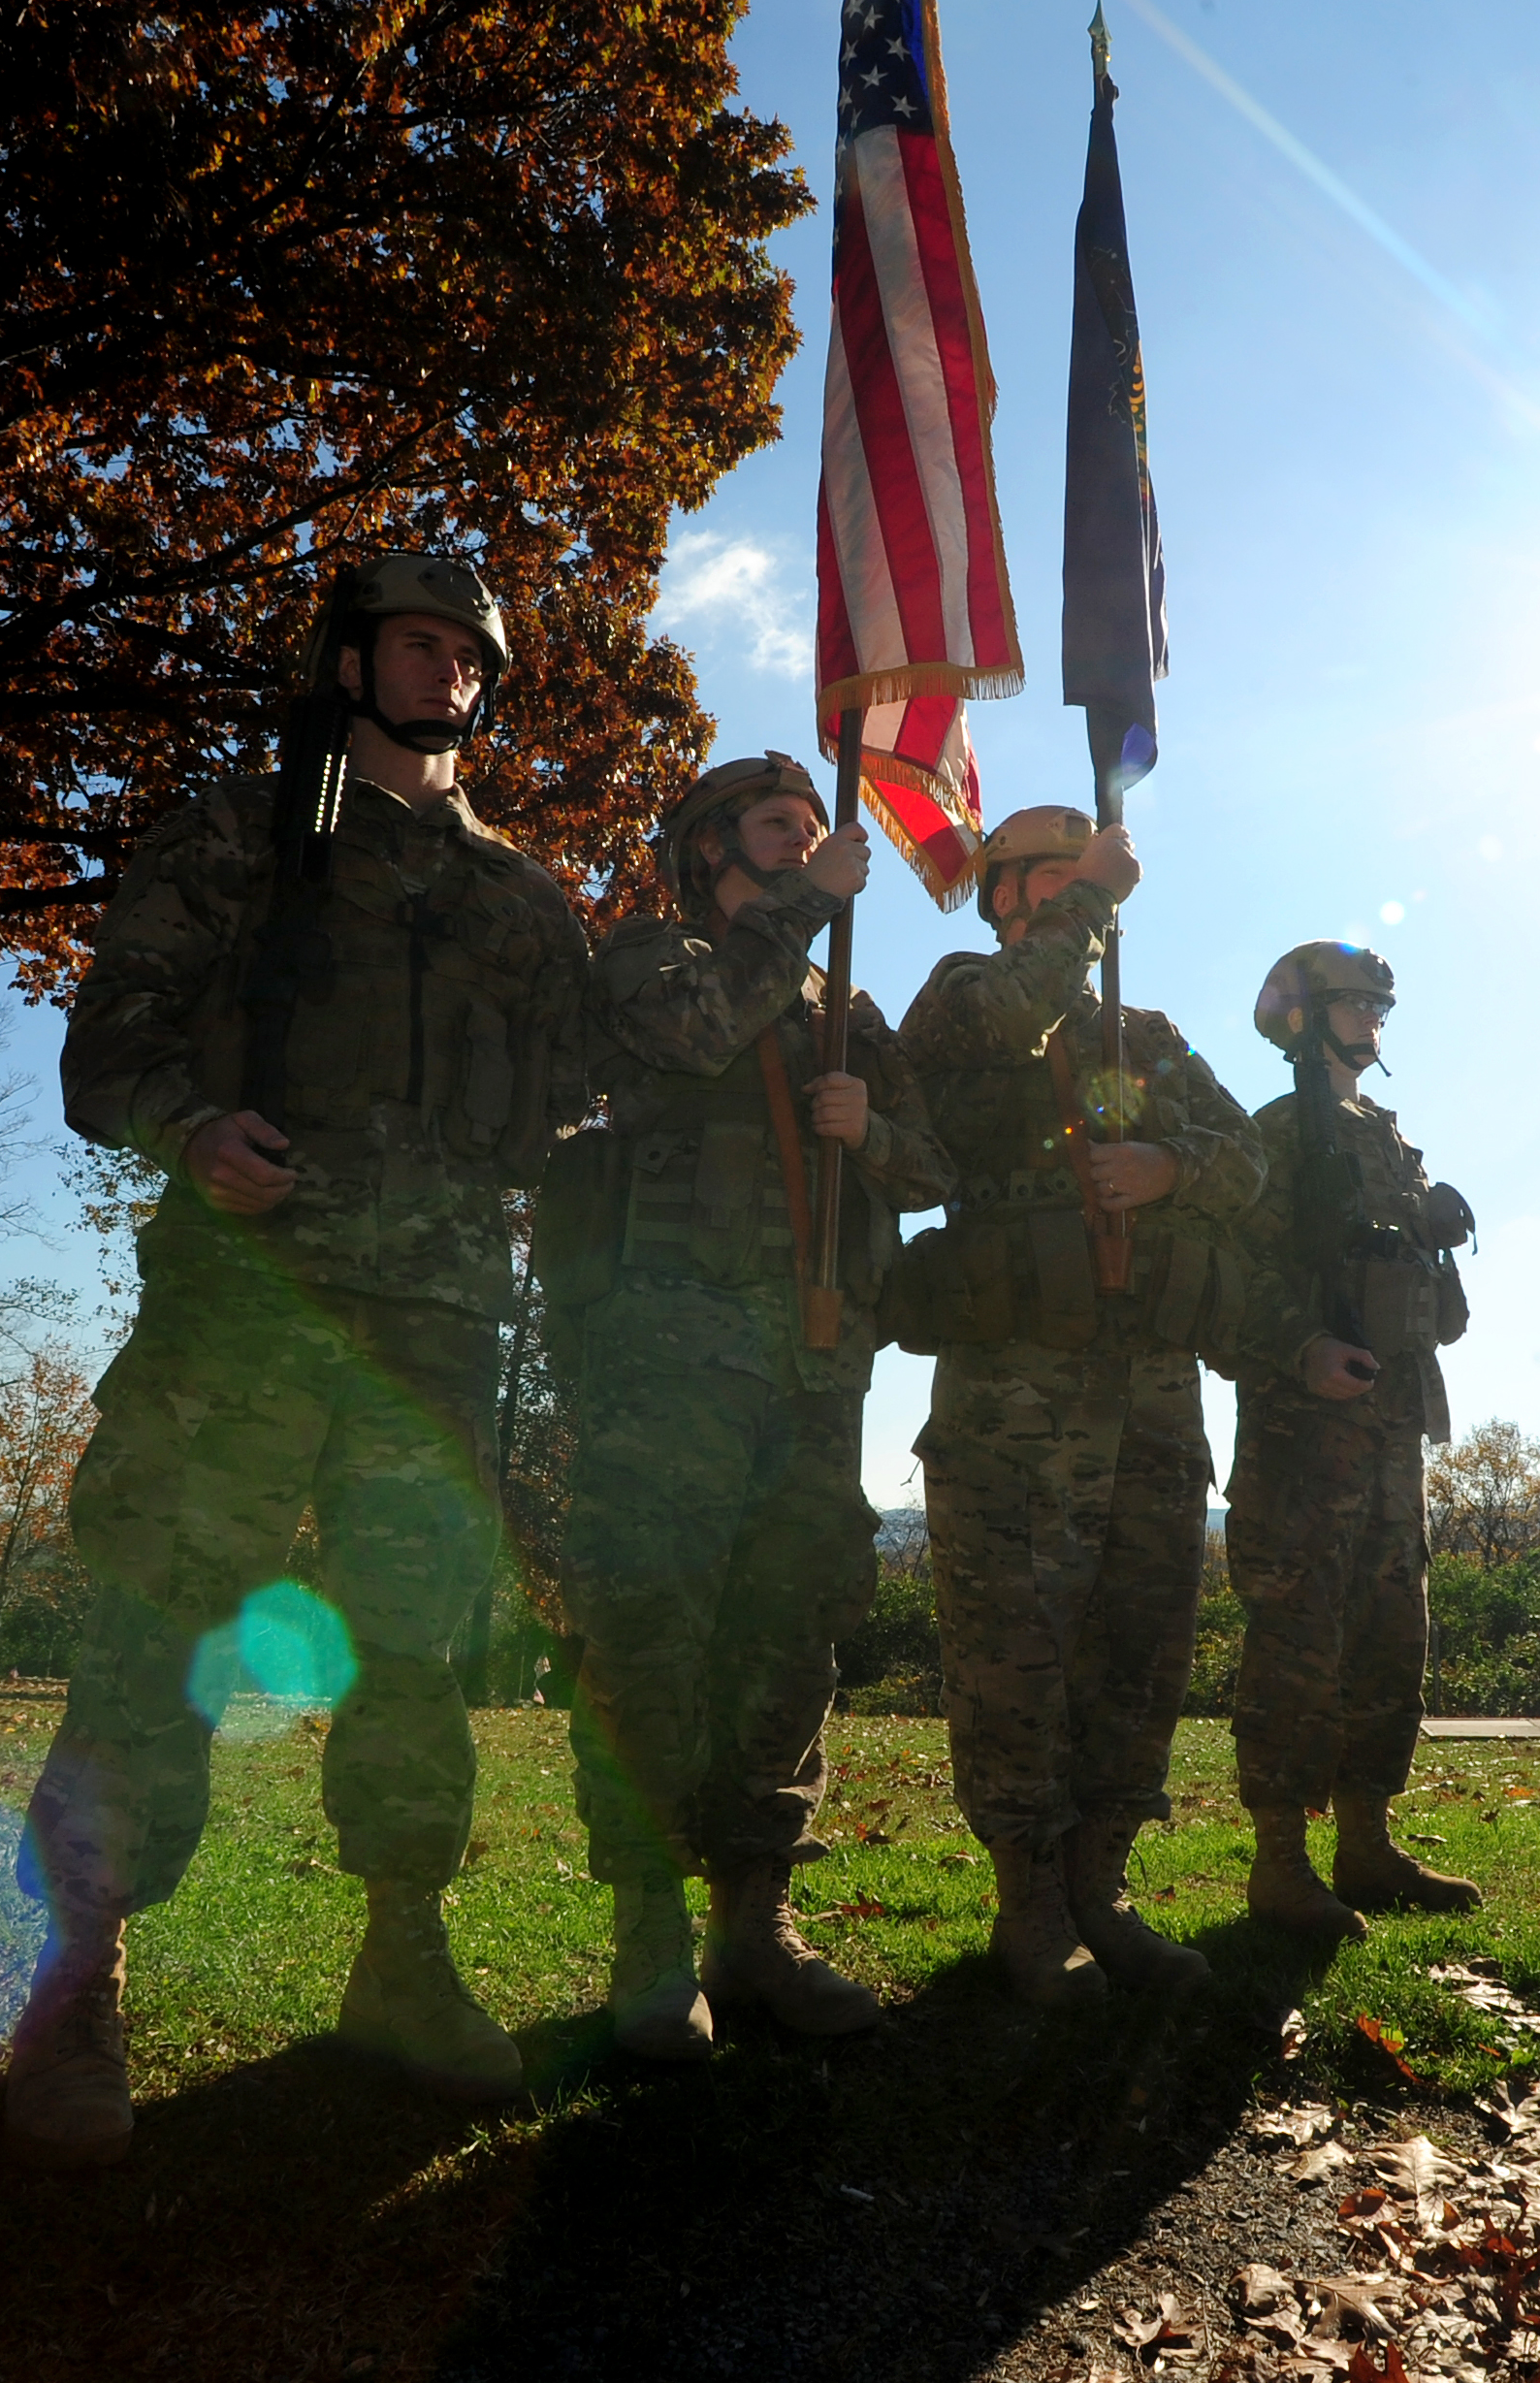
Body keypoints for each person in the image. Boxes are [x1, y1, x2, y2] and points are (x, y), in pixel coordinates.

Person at [7, 554, 592, 2168]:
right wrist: (185, 1128)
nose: (445, 676)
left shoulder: (523, 903)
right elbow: (106, 1044)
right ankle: (75, 1983)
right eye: (414, 645)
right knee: (166, 1610)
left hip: (434, 1328)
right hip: (242, 1305)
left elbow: (579, 1090)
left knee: (414, 1639)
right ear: (345, 661)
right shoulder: (236, 838)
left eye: (469, 658)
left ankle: (402, 1955)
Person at [547, 752, 951, 2060]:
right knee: (654, 1622)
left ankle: (755, 1922)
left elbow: (934, 1159)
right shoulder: (651, 954)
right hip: (670, 1346)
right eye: (780, 826)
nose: (812, 841)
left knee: (791, 1630)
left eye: (817, 828)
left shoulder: (846, 1005)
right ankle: (651, 1932)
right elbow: (700, 1029)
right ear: (711, 846)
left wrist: (867, 1132)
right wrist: (802, 905)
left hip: (819, 1358)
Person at [891, 808, 1262, 2005]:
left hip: (1153, 1382)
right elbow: (1009, 1016)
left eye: (1082, 875)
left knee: (1143, 1639)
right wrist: (1093, 904)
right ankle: (1029, 1903)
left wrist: (1169, 1169)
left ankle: (1103, 1885)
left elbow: (1248, 1162)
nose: (1070, 893)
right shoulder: (961, 994)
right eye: (1045, 880)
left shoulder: (1146, 1035)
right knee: (1015, 1645)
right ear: (1003, 898)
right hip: (1016, 1383)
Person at [1217, 942, 1482, 1933]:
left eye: (1381, 1005)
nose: (1373, 1020)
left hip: (1392, 1423)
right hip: (1304, 1426)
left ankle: (1366, 1844)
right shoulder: (1280, 1134)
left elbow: (1439, 1317)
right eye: (1354, 1003)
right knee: (1296, 1634)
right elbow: (1239, 1275)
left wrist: (1436, 1248)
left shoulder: (1388, 1141)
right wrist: (1301, 1348)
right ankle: (1280, 1862)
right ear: (1304, 1015)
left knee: (1390, 1631)